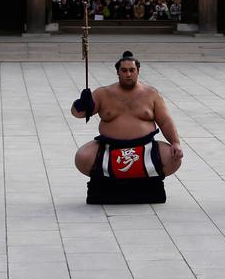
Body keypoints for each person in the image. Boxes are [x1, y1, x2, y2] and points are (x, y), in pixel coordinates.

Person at [72, 51, 183, 203]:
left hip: (145, 148)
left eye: (132, 70)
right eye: (124, 70)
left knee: (173, 158)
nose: (128, 74)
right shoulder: (103, 93)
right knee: (82, 157)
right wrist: (81, 103)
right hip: (109, 148)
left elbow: (165, 121)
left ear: (138, 71)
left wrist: (176, 142)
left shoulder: (151, 94)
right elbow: (78, 114)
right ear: (117, 72)